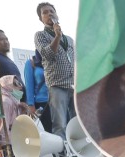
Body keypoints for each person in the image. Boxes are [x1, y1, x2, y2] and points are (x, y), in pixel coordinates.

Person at [34, 2, 75, 139]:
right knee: (60, 124)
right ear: (41, 19)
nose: (49, 13)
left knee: (78, 122)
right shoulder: (40, 35)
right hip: (57, 86)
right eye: (45, 12)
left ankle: (81, 155)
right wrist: (57, 36)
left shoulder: (68, 39)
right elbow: (48, 54)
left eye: (52, 11)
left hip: (74, 85)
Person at [23, 50, 51, 132]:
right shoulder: (31, 63)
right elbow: (29, 85)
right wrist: (31, 104)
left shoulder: (52, 61)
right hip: (41, 103)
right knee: (47, 131)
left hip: (55, 101)